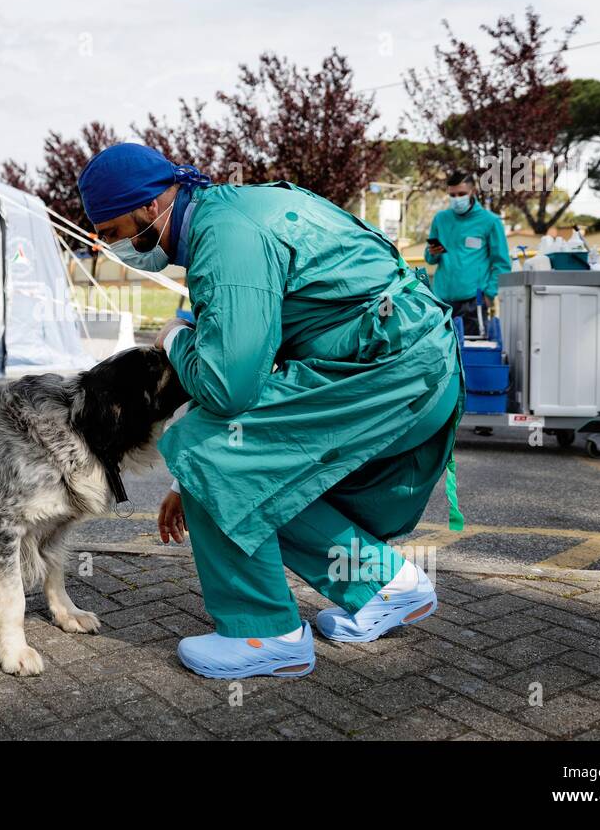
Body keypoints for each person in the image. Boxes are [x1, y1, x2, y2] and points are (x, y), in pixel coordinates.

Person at [77, 144, 463, 680]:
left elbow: (228, 385)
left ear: (148, 206)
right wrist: (191, 485)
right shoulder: (233, 211)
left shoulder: (225, 236)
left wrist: (176, 338)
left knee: (209, 455)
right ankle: (385, 585)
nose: (117, 246)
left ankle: (263, 634)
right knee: (237, 473)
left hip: (388, 372)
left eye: (115, 229)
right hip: (409, 368)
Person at [424, 170, 512, 333]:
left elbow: (502, 263)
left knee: (470, 354)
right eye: (453, 195)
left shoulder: (490, 222)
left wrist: (489, 295)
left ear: (473, 192)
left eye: (461, 194)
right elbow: (430, 259)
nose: (457, 199)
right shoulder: (440, 219)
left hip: (473, 303)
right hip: (441, 300)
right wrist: (432, 252)